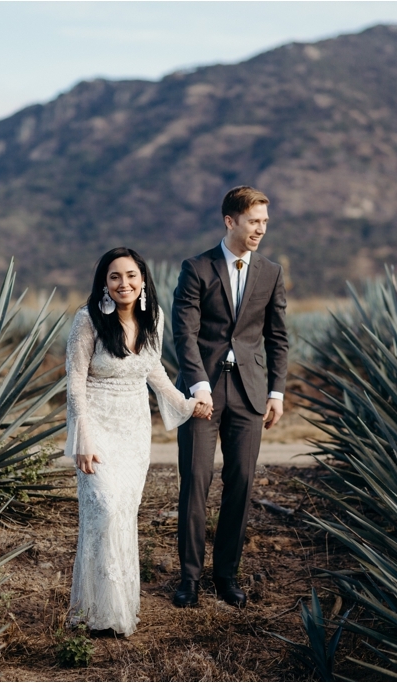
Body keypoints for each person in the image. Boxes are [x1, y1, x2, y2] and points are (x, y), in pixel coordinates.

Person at [66, 246, 211, 637]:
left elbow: (153, 370)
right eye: (115, 277)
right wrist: (83, 436)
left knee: (123, 515)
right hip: (95, 426)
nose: (123, 283)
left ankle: (116, 612)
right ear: (104, 283)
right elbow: (76, 382)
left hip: (133, 429)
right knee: (104, 509)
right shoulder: (87, 320)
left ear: (142, 280)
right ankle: (92, 611)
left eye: (130, 276)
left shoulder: (154, 318)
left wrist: (184, 402)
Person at [171, 186, 289, 608]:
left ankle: (226, 577)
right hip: (203, 392)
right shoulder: (196, 268)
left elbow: (277, 337)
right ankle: (188, 580)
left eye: (264, 223)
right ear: (230, 221)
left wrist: (276, 391)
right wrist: (198, 384)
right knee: (195, 483)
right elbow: (183, 333)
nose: (261, 229)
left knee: (240, 484)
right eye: (254, 221)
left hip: (251, 394)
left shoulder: (271, 272)